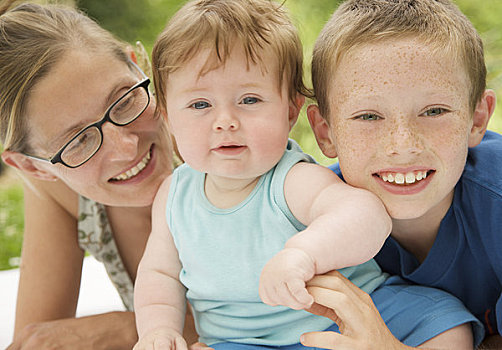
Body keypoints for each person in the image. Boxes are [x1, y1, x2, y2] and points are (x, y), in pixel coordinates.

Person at [134, 0, 482, 349]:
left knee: (445, 324)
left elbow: (366, 216)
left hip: (350, 315)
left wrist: (304, 254)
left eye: (250, 100)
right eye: (200, 105)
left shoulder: (290, 180)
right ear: (167, 118)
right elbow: (159, 274)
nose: (226, 120)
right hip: (241, 341)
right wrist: (157, 330)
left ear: (289, 112)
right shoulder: (173, 196)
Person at [0, 1, 199, 348]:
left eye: (124, 101)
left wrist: (126, 329)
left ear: (137, 65)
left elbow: (297, 319)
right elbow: (38, 340)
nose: (126, 146)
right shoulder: (62, 192)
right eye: (79, 141)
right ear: (33, 167)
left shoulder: (222, 156)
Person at [306, 0, 501, 348]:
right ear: (325, 132)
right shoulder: (314, 214)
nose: (403, 145)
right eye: (368, 117)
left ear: (477, 120)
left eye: (434, 110)